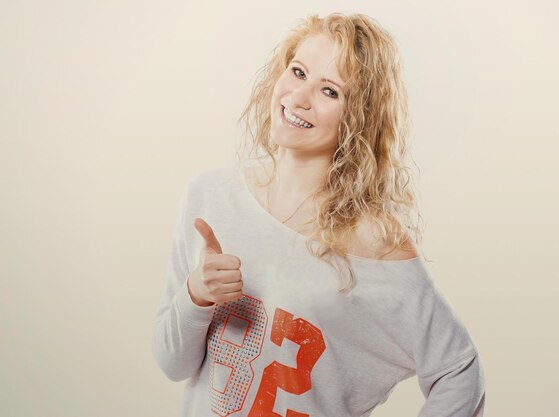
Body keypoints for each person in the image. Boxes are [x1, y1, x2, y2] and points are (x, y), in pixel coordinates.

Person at [152, 12, 486, 417]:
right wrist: (196, 296)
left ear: (357, 116)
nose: (298, 97)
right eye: (297, 72)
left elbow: (458, 367)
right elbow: (173, 364)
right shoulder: (209, 197)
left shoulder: (373, 241)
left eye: (330, 91)